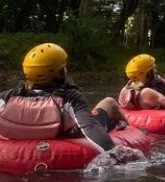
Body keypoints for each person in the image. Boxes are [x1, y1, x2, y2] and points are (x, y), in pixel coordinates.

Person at [0, 43, 139, 163]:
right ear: (59, 73)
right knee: (109, 102)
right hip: (68, 136)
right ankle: (130, 129)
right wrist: (114, 153)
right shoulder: (69, 96)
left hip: (17, 150)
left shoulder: (8, 97)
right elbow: (89, 127)